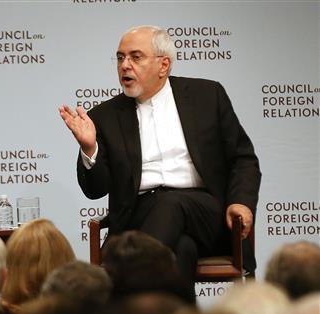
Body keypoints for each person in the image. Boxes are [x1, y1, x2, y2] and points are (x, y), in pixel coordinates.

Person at [59, 25, 261, 284]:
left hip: (204, 212)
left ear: (164, 65)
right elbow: (95, 190)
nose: (125, 65)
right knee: (181, 250)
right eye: (120, 58)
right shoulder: (105, 116)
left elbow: (242, 159)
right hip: (138, 215)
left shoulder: (207, 96)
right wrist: (90, 148)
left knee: (171, 202)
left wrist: (241, 202)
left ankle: (131, 285)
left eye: (136, 57)